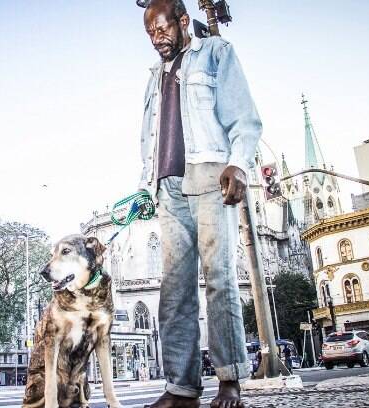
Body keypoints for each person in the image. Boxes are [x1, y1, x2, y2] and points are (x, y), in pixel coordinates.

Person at [138, 1, 262, 407]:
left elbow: (244, 117)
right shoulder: (153, 78)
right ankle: (182, 388)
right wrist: (145, 186)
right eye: (150, 33)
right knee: (174, 291)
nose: (157, 39)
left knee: (220, 278)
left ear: (183, 21)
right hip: (167, 188)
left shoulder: (215, 54)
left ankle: (230, 380)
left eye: (162, 29)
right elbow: (150, 139)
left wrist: (239, 164)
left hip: (208, 175)